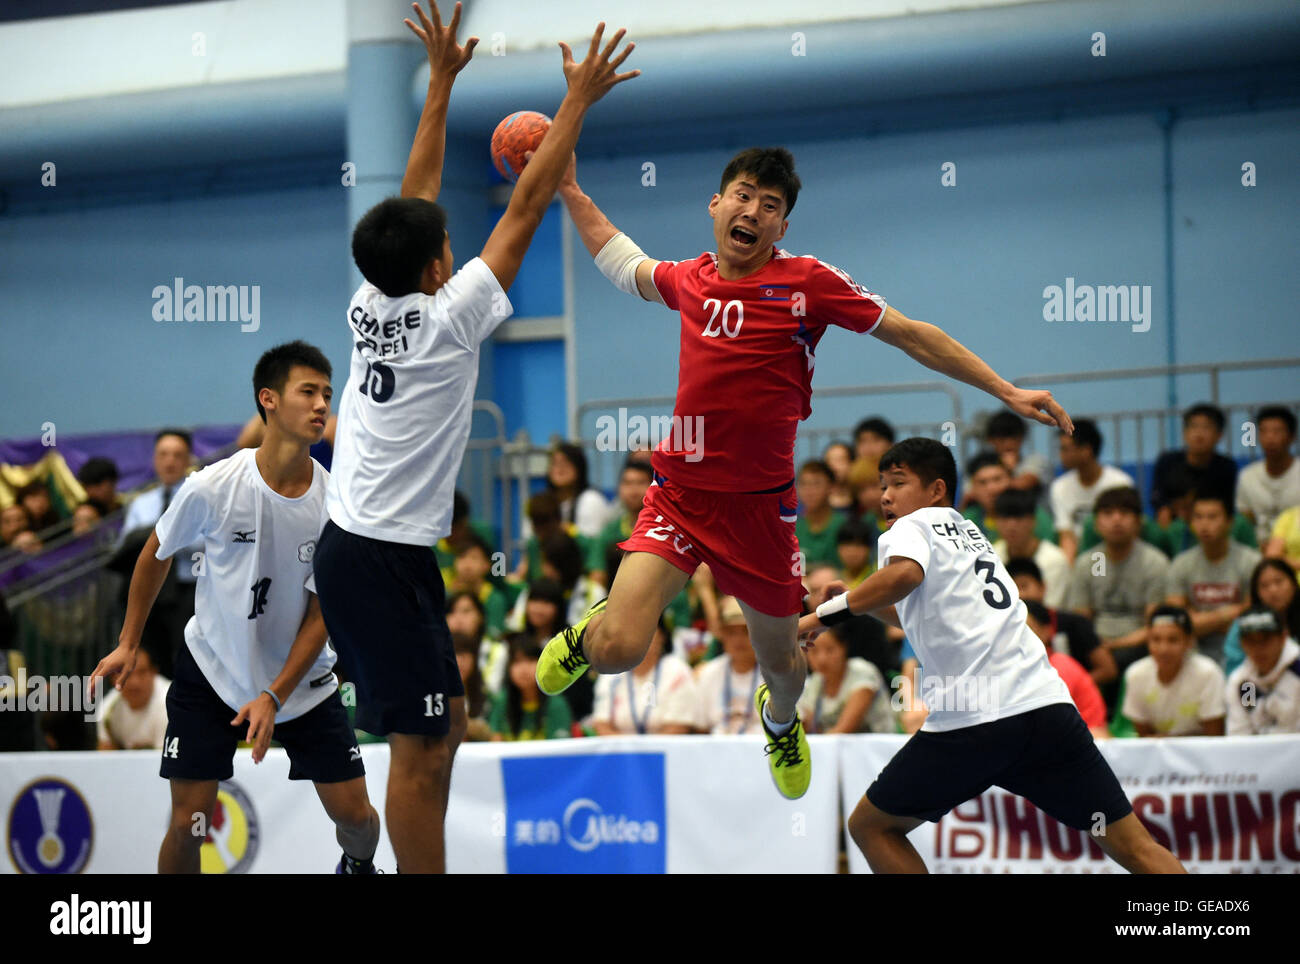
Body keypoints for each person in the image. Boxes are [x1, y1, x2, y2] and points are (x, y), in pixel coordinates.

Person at [541, 144, 1074, 801]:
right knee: (618, 649)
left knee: (785, 667)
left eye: (770, 206)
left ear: (782, 228)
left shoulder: (807, 283)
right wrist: (567, 186)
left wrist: (1007, 391)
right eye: (741, 196)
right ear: (715, 205)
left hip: (761, 514)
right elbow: (621, 260)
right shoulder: (691, 279)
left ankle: (780, 721)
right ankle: (591, 629)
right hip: (679, 497)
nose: (753, 212)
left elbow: (910, 333)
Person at [310, 5, 637, 873]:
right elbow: (527, 204)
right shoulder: (446, 319)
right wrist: (576, 106)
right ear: (431, 267)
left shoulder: (369, 302)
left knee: (444, 726)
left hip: (377, 550)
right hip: (376, 555)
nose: (454, 246)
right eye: (446, 244)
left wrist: (442, 84)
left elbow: (413, 197)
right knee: (420, 749)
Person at [797, 437, 1182, 873]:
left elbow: (902, 575)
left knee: (872, 826)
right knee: (1135, 847)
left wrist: (821, 616)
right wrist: (853, 600)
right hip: (1045, 710)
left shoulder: (911, 526)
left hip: (976, 720)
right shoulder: (970, 533)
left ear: (936, 490)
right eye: (882, 485)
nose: (885, 495)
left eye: (898, 483)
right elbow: (916, 612)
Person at [89, 341, 381, 875]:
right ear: (268, 400)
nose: (322, 406)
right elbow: (156, 553)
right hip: (213, 671)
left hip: (300, 685)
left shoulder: (337, 502)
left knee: (359, 820)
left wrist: (274, 693)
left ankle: (358, 869)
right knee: (189, 823)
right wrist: (129, 641)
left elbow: (322, 613)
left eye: (327, 395)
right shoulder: (213, 485)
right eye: (308, 392)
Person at [1064, 486, 1169, 701]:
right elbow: (1082, 618)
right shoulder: (1095, 561)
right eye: (1108, 514)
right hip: (1096, 643)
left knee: (1125, 658)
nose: (1117, 520)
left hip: (1137, 644)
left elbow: (1154, 625)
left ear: (1138, 522)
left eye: (1125, 513)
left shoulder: (1153, 562)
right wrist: (1096, 645)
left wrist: (1112, 645)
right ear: (1096, 523)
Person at [112, 427, 201, 678]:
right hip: (149, 591)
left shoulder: (200, 496)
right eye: (163, 454)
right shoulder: (141, 503)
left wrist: (160, 538)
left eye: (176, 455)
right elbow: (126, 544)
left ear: (187, 460)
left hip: (188, 591)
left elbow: (206, 540)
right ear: (154, 459)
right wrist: (172, 537)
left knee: (187, 659)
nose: (169, 461)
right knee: (151, 656)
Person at [1164, 492, 1261, 666]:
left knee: (1249, 691)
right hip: (1193, 652)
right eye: (1198, 517)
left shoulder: (1251, 562)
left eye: (1212, 517)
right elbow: (1177, 624)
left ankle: (1248, 694)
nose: (1204, 524)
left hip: (1245, 650)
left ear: (1229, 522)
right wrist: (1225, 614)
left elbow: (1251, 620)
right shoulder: (1181, 564)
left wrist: (1198, 621)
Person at [1008, 557, 1116, 696]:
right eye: (1013, 589)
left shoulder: (1076, 623)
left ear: (1043, 587)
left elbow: (1108, 670)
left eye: (1024, 586)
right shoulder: (1005, 629)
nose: (1020, 595)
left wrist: (1074, 686)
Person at [1120, 606, 1225, 737]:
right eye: (1156, 640)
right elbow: (1144, 736)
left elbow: (1213, 736)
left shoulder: (1208, 673)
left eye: (1173, 640)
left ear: (1189, 642)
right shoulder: (1136, 674)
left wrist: (1169, 741)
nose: (1163, 649)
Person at [592, 617, 696, 735]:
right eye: (631, 632)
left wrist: (642, 750)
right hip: (620, 751)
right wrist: (632, 751)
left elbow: (678, 728)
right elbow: (601, 725)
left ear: (662, 637)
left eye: (645, 630)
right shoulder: (611, 672)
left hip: (667, 750)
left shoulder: (678, 671)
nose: (638, 638)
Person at [1049, 419, 1134, 562]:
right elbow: (1066, 536)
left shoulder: (1120, 483)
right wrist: (1069, 572)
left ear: (1086, 450)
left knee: (1098, 564)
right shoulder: (1060, 487)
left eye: (1065, 449)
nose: (1061, 455)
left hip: (1110, 552)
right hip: (1079, 557)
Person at [1022, 600, 1109, 739]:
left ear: (1046, 631)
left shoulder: (1059, 666)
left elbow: (1049, 720)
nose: (1017, 637)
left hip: (1089, 738)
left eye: (1025, 630)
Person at [1150, 404, 1238, 526]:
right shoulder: (1167, 461)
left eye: (1206, 427)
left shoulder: (1226, 467)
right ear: (1185, 433)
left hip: (1212, 523)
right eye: (1194, 427)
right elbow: (1157, 497)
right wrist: (1165, 509)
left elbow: (1229, 506)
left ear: (1219, 436)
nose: (1199, 434)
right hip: (1173, 523)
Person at [797, 624, 894, 733]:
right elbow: (806, 726)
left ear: (843, 648)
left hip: (875, 747)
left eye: (830, 650)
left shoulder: (862, 672)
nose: (822, 659)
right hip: (834, 746)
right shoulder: (815, 681)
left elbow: (844, 729)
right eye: (814, 652)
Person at [693, 596, 765, 734]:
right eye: (731, 632)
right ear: (722, 635)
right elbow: (699, 731)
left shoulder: (778, 673)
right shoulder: (707, 674)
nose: (738, 640)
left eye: (745, 631)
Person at [1224, 607, 1300, 735]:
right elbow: (1241, 736)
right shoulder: (1244, 684)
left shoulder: (1298, 670)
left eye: (1266, 639)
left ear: (1283, 637)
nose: (1258, 648)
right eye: (1250, 641)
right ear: (1241, 643)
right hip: (1259, 753)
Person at [992, 489, 1069, 607]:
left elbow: (1052, 609)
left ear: (1033, 521)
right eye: (1005, 518)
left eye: (1019, 518)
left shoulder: (1055, 560)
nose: (1011, 525)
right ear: (996, 522)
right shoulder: (991, 556)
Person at [489, 635, 573, 741]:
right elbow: (495, 744)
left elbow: (561, 749)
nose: (524, 669)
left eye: (530, 660)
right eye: (517, 662)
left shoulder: (556, 705)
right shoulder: (501, 702)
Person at [1236, 406, 1300, 545]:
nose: (1270, 438)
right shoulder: (1247, 476)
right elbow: (1246, 519)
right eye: (1264, 431)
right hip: (1259, 548)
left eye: (1277, 431)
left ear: (1292, 437)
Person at [962, 452, 1054, 545]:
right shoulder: (965, 520)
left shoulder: (1035, 516)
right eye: (982, 482)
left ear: (1011, 480)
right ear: (972, 489)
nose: (991, 489)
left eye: (997, 479)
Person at [587, 459, 653, 585]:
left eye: (641, 482)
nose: (633, 490)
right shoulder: (609, 532)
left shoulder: (665, 531)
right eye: (627, 483)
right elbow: (596, 576)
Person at [95, 647, 169, 750]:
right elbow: (105, 760)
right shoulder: (108, 710)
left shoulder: (170, 704)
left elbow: (167, 761)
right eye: (126, 673)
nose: (135, 682)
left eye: (142, 672)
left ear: (154, 673)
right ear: (113, 678)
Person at [795, 459, 846, 571]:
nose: (809, 491)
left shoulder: (844, 526)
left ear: (831, 487)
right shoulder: (792, 529)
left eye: (816, 484)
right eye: (803, 484)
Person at [823, 441, 856, 511]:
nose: (833, 466)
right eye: (829, 461)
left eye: (840, 460)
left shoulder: (861, 498)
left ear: (852, 464)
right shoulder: (817, 500)